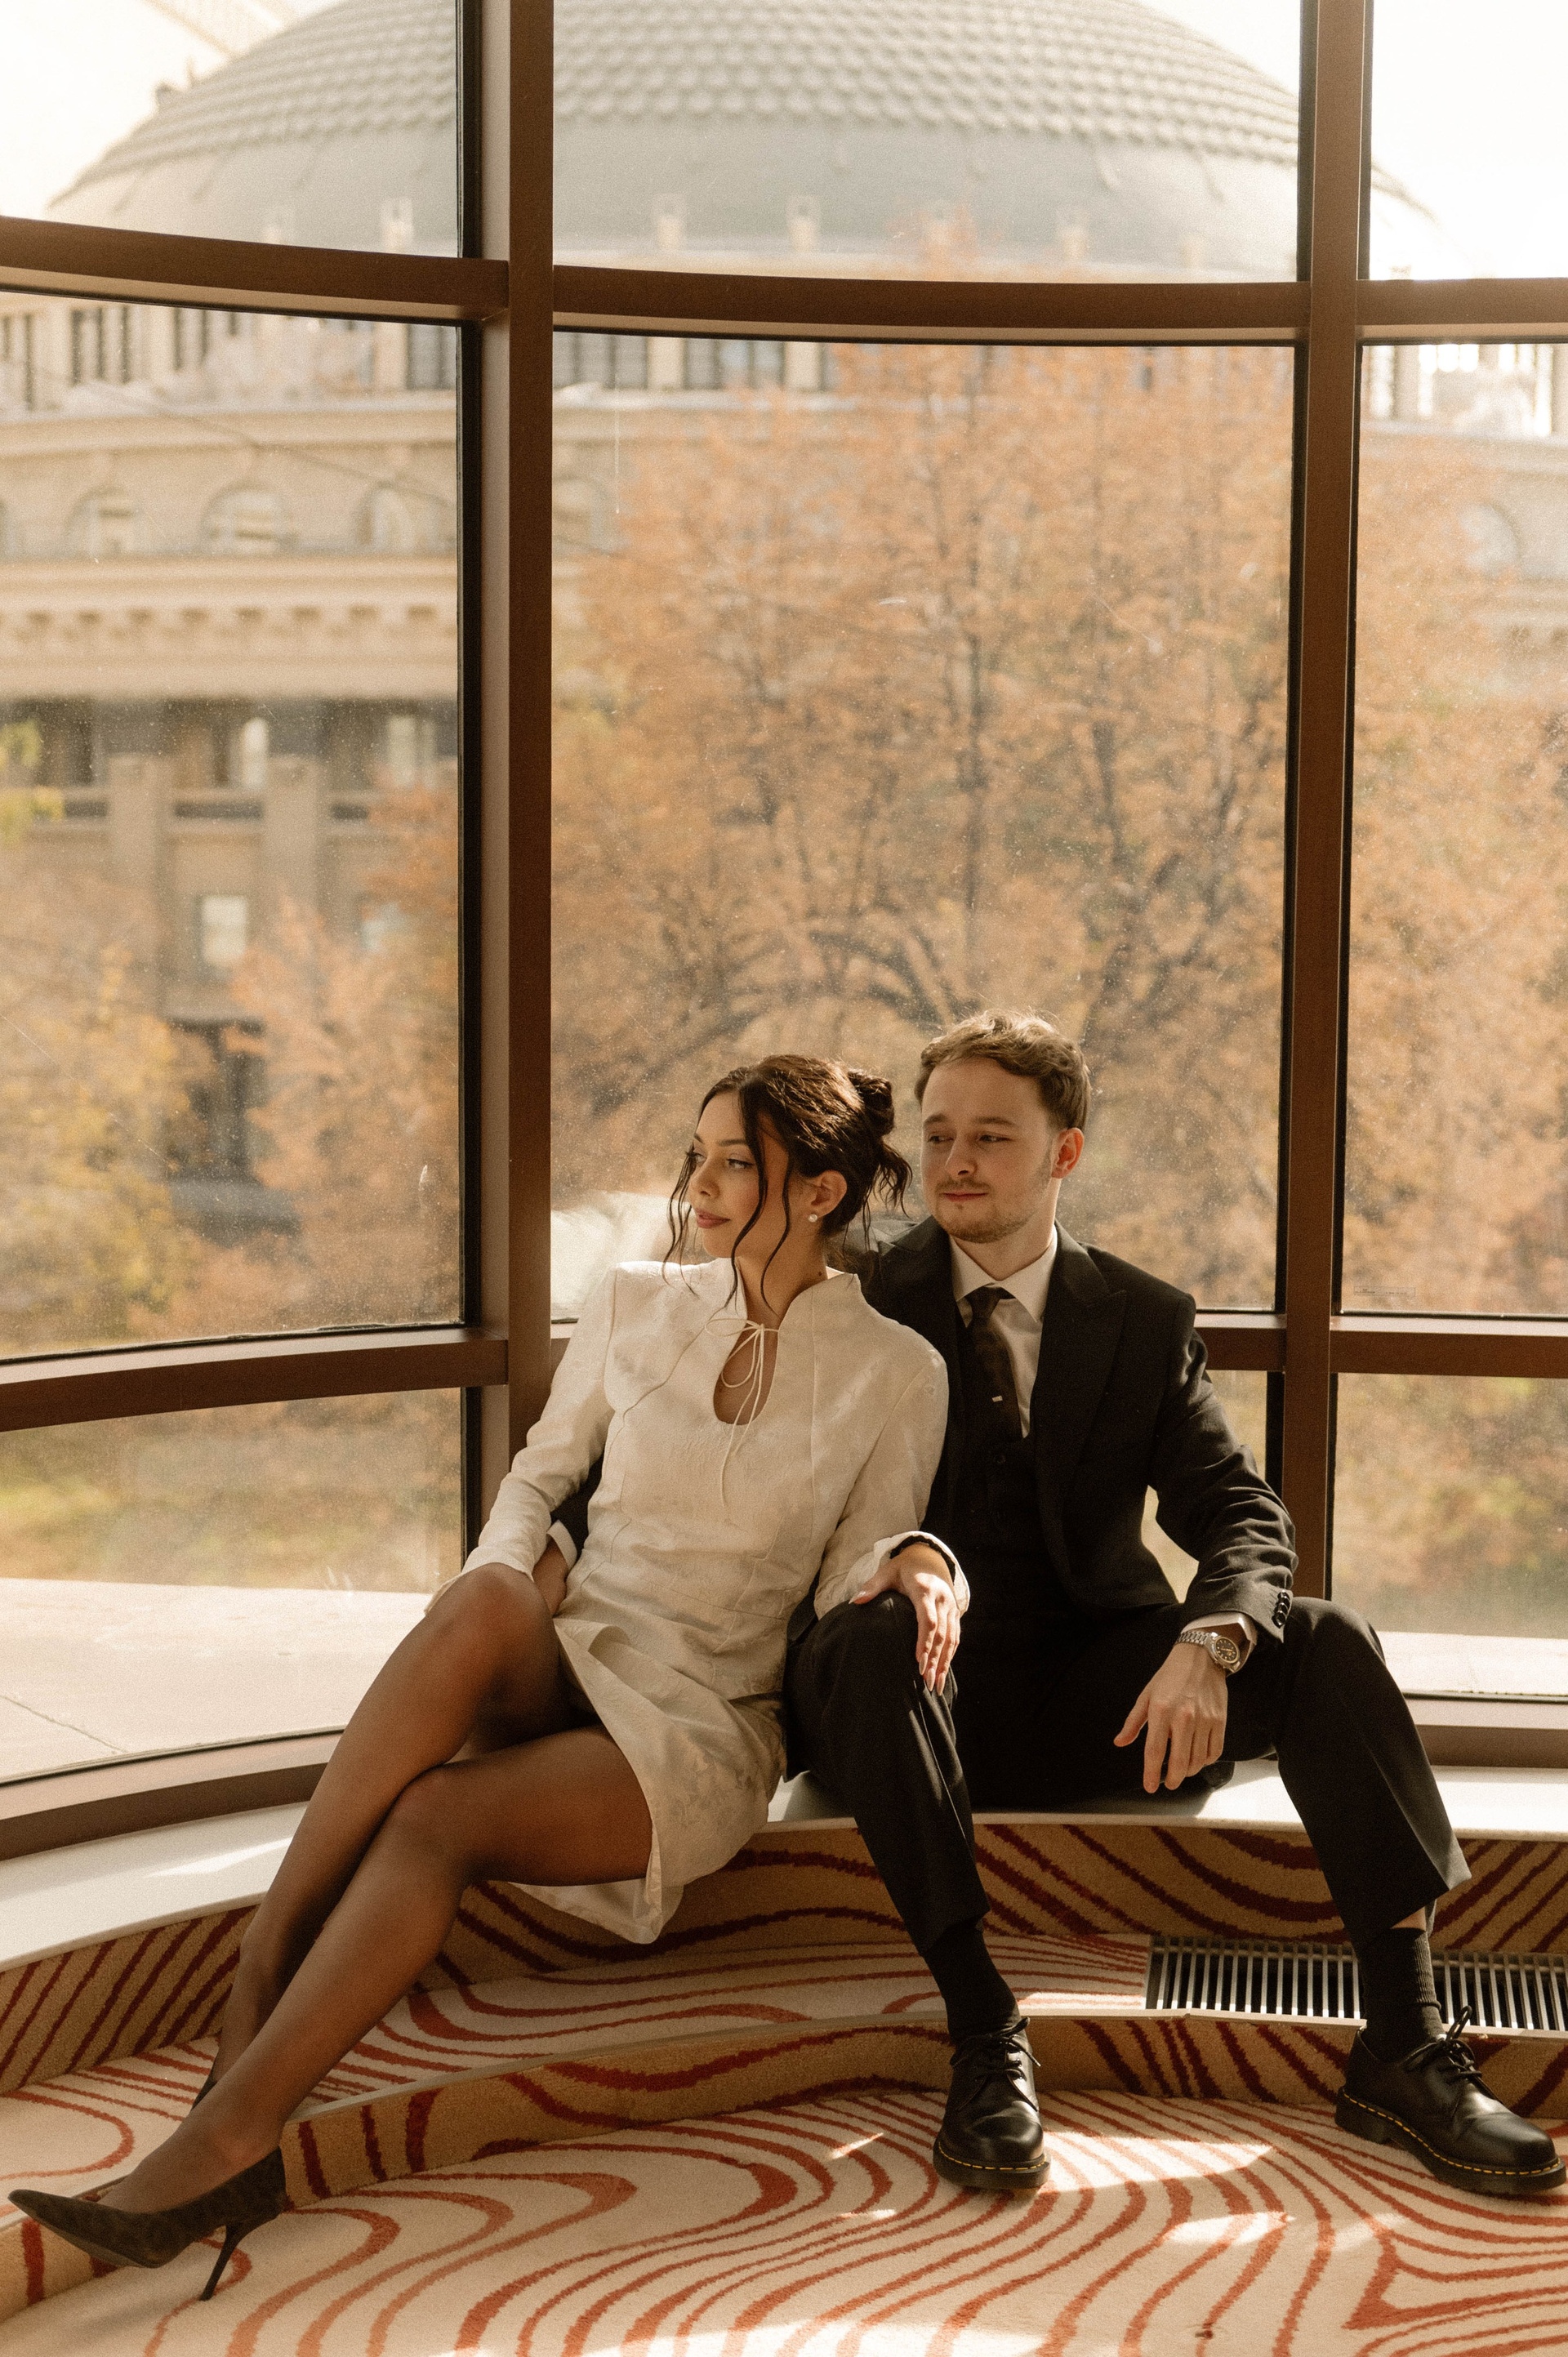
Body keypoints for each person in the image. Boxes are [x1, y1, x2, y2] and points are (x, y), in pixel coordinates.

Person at [11, 1054, 970, 2295]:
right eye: (698, 1156)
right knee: (481, 1598)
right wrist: (516, 1581)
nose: (701, 1185)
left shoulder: (899, 1372)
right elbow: (536, 1478)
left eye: (737, 1163)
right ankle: (259, 1977)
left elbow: (849, 1578)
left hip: (700, 1719)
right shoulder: (635, 1303)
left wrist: (923, 1563)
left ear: (823, 1191)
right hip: (574, 1649)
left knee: (433, 1816)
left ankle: (231, 2130)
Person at [786, 1010, 1565, 2203]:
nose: (955, 1163)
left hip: (1089, 1693)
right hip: (896, 1694)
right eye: (939, 1135)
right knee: (882, 1631)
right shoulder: (855, 1293)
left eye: (991, 1136)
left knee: (1326, 1638)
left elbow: (1238, 1507)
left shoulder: (1141, 1318)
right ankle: (986, 2032)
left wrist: (1210, 1644)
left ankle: (1405, 2043)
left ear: (1065, 1151)